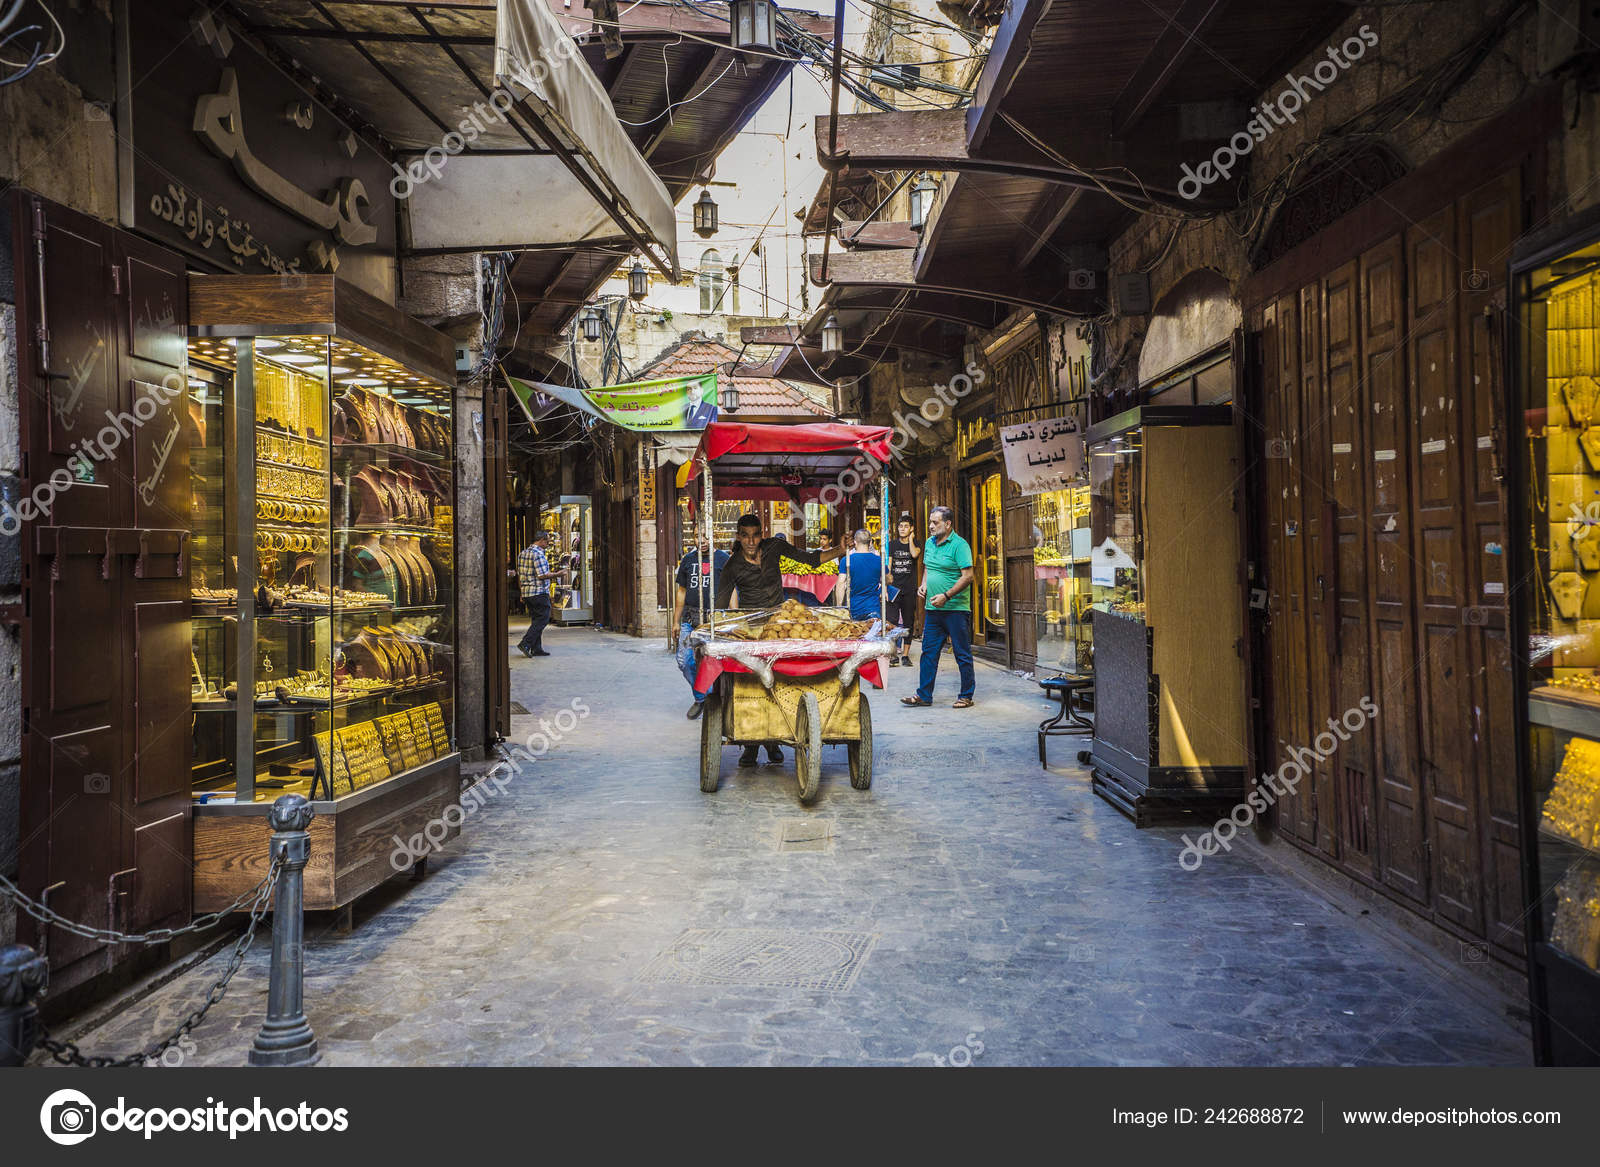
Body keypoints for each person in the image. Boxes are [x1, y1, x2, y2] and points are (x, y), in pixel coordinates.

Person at [714, 512, 847, 765]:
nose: (751, 542)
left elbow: (810, 560)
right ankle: (751, 744)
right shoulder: (732, 566)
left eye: (755, 536)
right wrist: (718, 629)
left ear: (761, 535)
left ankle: (775, 740)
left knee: (779, 679)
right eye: (745, 536)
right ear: (739, 537)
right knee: (751, 683)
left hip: (780, 625)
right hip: (752, 630)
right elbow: (721, 603)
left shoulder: (775, 547)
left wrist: (840, 549)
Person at [901, 505, 975, 708]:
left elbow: (968, 576)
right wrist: (924, 584)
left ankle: (966, 695)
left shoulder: (960, 545)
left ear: (948, 524)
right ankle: (924, 695)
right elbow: (928, 568)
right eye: (930, 522)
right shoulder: (929, 543)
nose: (931, 526)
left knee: (962, 653)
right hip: (933, 609)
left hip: (956, 609)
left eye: (936, 522)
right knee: (929, 653)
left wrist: (946, 595)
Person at [670, 531, 730, 720]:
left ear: (713, 536)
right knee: (684, 661)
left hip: (716, 619)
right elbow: (681, 591)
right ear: (693, 538)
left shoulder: (723, 559)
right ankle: (702, 697)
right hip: (690, 619)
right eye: (697, 536)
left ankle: (717, 697)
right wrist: (675, 621)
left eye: (706, 535)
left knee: (720, 662)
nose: (702, 540)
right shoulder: (688, 560)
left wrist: (733, 617)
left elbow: (731, 589)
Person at [516, 529, 560, 658]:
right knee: (543, 618)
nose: (548, 543)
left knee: (536, 619)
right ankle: (526, 643)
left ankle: (537, 648)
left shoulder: (522, 553)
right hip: (539, 592)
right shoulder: (538, 554)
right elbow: (542, 575)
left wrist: (522, 592)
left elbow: (520, 575)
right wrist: (559, 574)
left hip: (527, 592)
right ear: (541, 541)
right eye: (547, 541)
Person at [886, 513, 920, 667]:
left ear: (911, 529)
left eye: (906, 526)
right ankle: (893, 654)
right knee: (891, 621)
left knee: (908, 622)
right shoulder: (892, 545)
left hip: (909, 589)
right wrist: (886, 585)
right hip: (894, 589)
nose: (902, 529)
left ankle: (905, 655)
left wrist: (911, 539)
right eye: (900, 526)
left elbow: (914, 554)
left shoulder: (916, 543)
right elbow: (888, 566)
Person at [836, 529, 886, 622]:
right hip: (873, 608)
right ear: (870, 542)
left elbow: (840, 584)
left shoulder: (846, 560)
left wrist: (839, 607)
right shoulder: (879, 560)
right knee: (872, 635)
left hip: (853, 608)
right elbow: (887, 579)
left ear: (855, 542)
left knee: (856, 634)